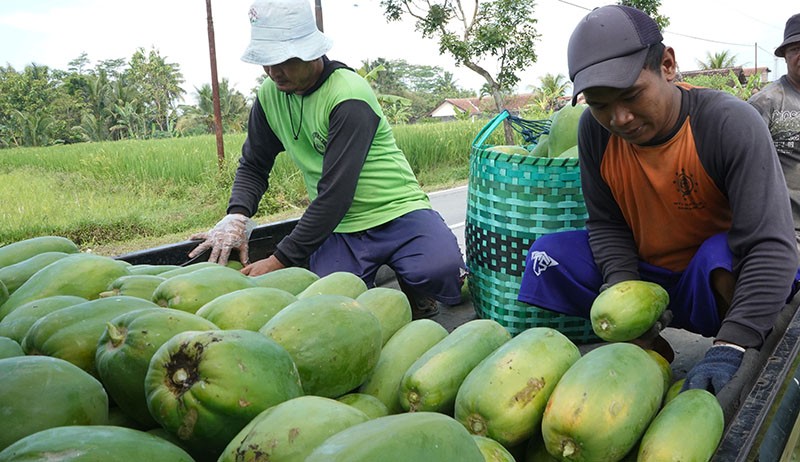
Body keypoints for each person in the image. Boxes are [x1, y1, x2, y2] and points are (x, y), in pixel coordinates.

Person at [517, 5, 799, 396]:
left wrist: (733, 343)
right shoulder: (595, 133)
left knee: (725, 254)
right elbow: (606, 223)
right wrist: (624, 293)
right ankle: (649, 345)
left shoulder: (726, 122)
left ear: (667, 65)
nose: (620, 118)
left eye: (631, 95)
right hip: (650, 270)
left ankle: (740, 339)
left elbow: (771, 244)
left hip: (711, 281)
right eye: (600, 104)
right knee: (549, 256)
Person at [188, 0, 467, 318]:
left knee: (439, 271)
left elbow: (336, 195)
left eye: (283, 60)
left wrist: (279, 260)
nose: (273, 71)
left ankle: (419, 291)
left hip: (397, 211)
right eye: (266, 61)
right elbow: (254, 164)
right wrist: (236, 216)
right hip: (340, 227)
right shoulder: (269, 95)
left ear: (311, 51)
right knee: (332, 307)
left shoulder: (347, 95)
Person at [749, 13, 800, 249]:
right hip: (786, 230)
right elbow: (745, 167)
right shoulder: (765, 102)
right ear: (785, 55)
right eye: (795, 48)